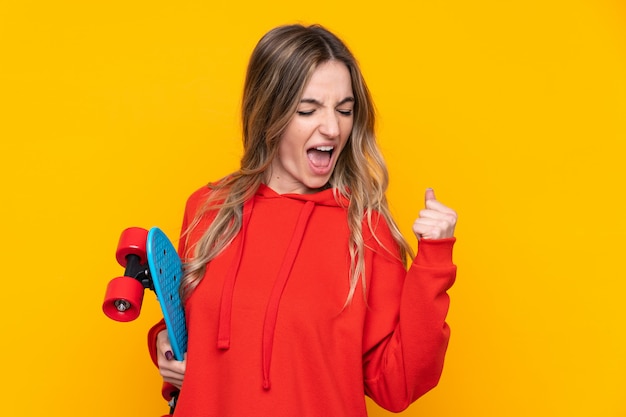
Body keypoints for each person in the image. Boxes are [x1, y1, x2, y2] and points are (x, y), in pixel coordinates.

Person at [147, 23, 458, 417]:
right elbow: (200, 335)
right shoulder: (209, 209)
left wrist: (433, 265)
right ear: (269, 114)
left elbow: (397, 384)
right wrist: (165, 344)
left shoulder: (367, 231)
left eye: (345, 110)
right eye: (308, 110)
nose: (332, 127)